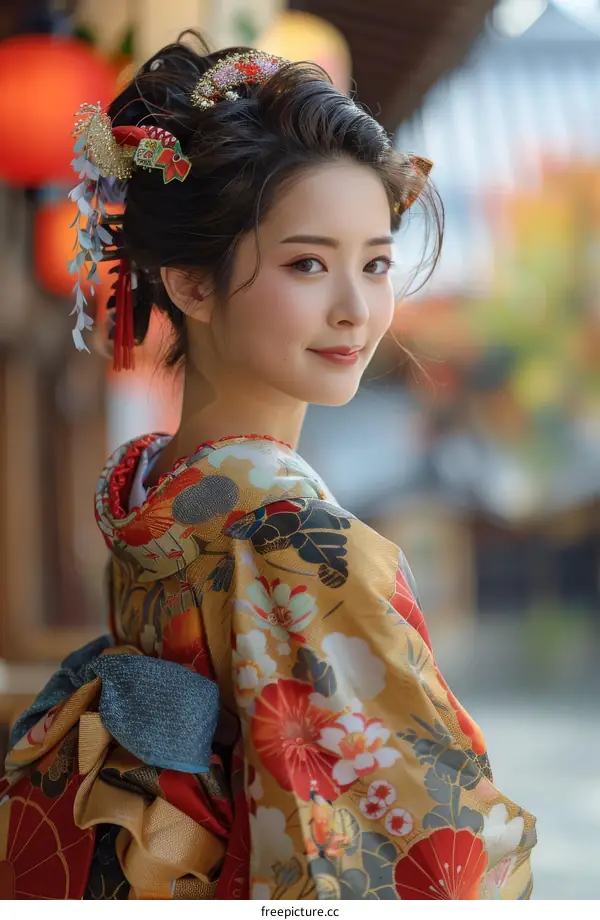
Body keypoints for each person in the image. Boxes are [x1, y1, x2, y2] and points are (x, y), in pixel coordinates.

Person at [0, 33, 536, 900]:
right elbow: (421, 859)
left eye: (375, 264)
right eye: (307, 264)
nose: (355, 309)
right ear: (191, 283)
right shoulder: (301, 539)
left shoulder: (147, 499)